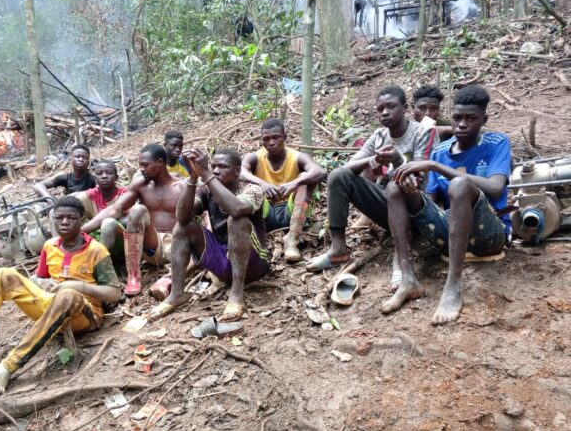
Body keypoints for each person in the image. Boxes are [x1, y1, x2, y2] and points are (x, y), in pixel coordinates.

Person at [0, 196, 121, 393]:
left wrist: (79, 286)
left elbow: (114, 293)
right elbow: (37, 278)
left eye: (71, 218)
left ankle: (8, 366)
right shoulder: (50, 245)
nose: (65, 222)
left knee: (68, 294)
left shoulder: (96, 250)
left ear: (82, 220)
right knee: (1, 274)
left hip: (84, 315)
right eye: (59, 218)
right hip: (51, 305)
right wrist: (43, 282)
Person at [381, 85, 510, 325]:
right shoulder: (441, 150)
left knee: (460, 185)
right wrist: (410, 186)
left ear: (484, 120)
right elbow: (432, 203)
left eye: (471, 119)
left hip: (489, 235)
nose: (461, 124)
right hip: (451, 236)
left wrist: (435, 167)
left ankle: (453, 286)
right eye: (457, 118)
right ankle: (408, 280)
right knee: (394, 186)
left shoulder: (496, 142)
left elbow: (495, 188)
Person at [306, 85, 438, 281]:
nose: (385, 112)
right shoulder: (379, 136)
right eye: (380, 109)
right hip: (387, 206)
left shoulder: (423, 132)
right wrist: (370, 160)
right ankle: (338, 249)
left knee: (397, 184)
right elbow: (347, 167)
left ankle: (402, 259)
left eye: (391, 106)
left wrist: (397, 160)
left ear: (404, 108)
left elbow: (418, 175)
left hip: (417, 207)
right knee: (338, 175)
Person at [150, 147, 270, 321]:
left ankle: (236, 295)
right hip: (222, 262)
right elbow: (182, 217)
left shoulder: (252, 189)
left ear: (237, 171)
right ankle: (176, 294)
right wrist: (193, 177)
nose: (215, 171)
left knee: (237, 221)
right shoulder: (206, 190)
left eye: (222, 167)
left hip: (254, 263)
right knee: (182, 227)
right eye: (213, 166)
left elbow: (236, 209)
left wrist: (206, 173)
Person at [82, 144, 185, 296]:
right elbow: (115, 209)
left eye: (145, 165)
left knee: (138, 210)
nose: (141, 169)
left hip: (176, 245)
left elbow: (200, 213)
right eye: (140, 165)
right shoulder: (141, 184)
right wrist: (81, 230)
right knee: (129, 214)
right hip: (151, 245)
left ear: (160, 162)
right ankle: (132, 277)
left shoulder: (181, 185)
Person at [241, 118, 326, 262]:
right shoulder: (254, 157)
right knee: (252, 188)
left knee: (305, 179)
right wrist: (261, 183)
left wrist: (294, 183)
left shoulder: (297, 157)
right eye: (266, 139)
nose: (271, 142)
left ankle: (292, 239)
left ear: (285, 137)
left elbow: (320, 171)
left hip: (291, 212)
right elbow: (241, 172)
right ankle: (253, 242)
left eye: (276, 137)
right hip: (265, 214)